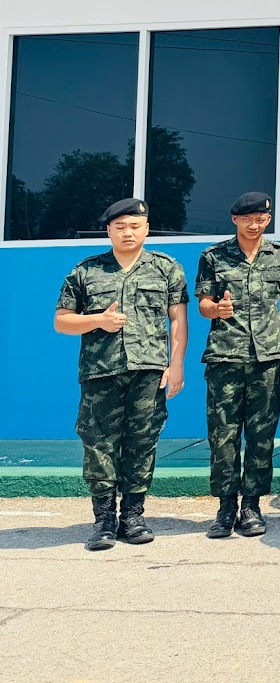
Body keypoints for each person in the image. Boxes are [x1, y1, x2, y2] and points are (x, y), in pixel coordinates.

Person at [54, 198, 189, 551]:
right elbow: (62, 321)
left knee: (142, 442)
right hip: (101, 372)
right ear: (109, 230)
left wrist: (176, 364)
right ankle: (103, 520)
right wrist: (98, 320)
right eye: (120, 227)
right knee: (98, 443)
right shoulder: (86, 271)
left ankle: (133, 515)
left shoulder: (167, 268)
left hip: (149, 370)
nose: (128, 232)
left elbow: (178, 319)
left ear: (147, 229)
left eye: (135, 226)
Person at [196, 191, 280, 541]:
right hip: (225, 357)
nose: (255, 225)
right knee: (223, 435)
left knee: (261, 436)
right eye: (248, 219)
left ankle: (252, 505)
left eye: (261, 219)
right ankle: (226, 506)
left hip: (267, 358)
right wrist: (216, 310)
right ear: (235, 219)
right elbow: (203, 303)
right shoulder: (213, 256)